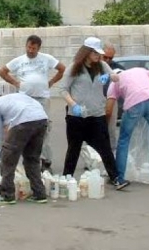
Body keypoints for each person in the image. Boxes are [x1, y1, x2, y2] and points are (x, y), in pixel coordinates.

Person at [58, 37, 129, 190]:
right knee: (74, 149)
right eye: (95, 53)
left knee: (105, 147)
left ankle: (116, 178)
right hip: (77, 116)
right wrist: (73, 105)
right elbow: (62, 89)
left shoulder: (102, 66)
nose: (98, 56)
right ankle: (66, 178)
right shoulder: (74, 68)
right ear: (87, 52)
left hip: (97, 115)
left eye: (99, 53)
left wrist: (111, 76)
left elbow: (116, 77)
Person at [0, 35, 65, 172]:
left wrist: (51, 82)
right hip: (25, 99)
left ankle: (46, 161)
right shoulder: (20, 60)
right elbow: (2, 71)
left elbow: (62, 68)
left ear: (38, 48)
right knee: (23, 128)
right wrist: (15, 83)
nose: (30, 50)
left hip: (42, 98)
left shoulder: (46, 59)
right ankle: (25, 160)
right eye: (29, 47)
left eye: (34, 48)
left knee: (44, 129)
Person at [0, 91, 49, 204]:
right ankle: (39, 194)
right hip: (42, 119)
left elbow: (0, 134)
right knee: (32, 159)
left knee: (8, 161)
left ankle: (7, 195)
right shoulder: (14, 97)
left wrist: (1, 154)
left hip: (23, 122)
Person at [107, 67, 149, 188]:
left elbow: (109, 109)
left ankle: (119, 177)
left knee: (124, 140)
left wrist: (104, 125)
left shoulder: (114, 82)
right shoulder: (139, 70)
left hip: (134, 105)